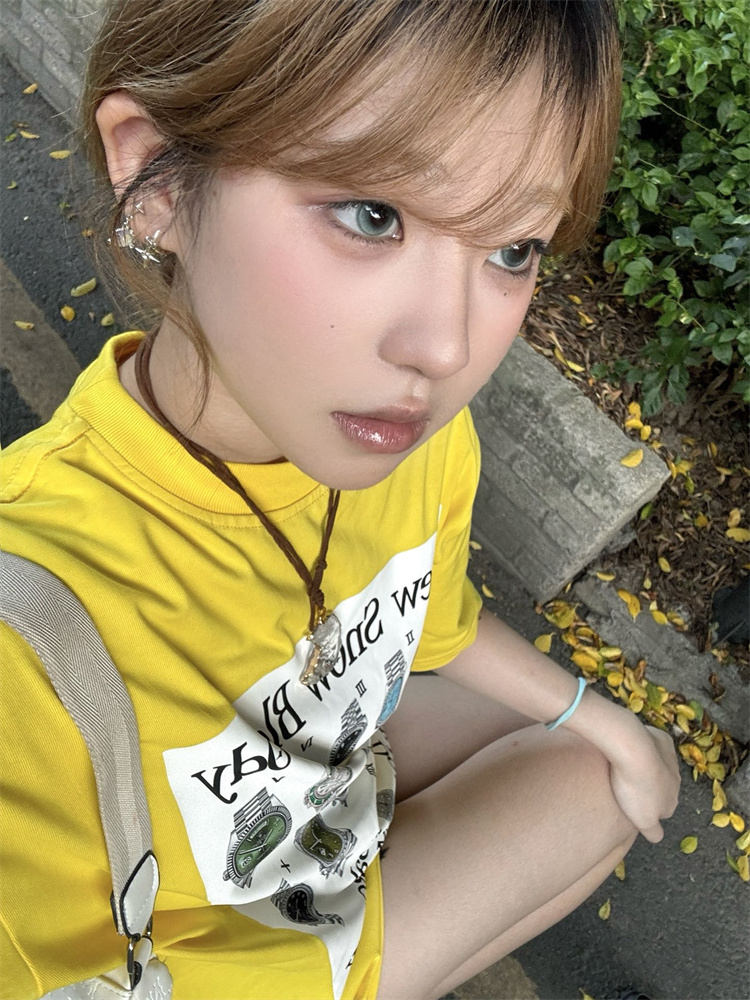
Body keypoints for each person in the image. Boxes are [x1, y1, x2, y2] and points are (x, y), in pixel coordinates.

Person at [0, 2, 681, 999]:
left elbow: (433, 619)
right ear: (158, 179)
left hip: (324, 778)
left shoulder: (419, 444)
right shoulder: (28, 637)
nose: (446, 349)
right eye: (373, 214)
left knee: (607, 771)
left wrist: (604, 719)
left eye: (513, 250)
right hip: (224, 962)